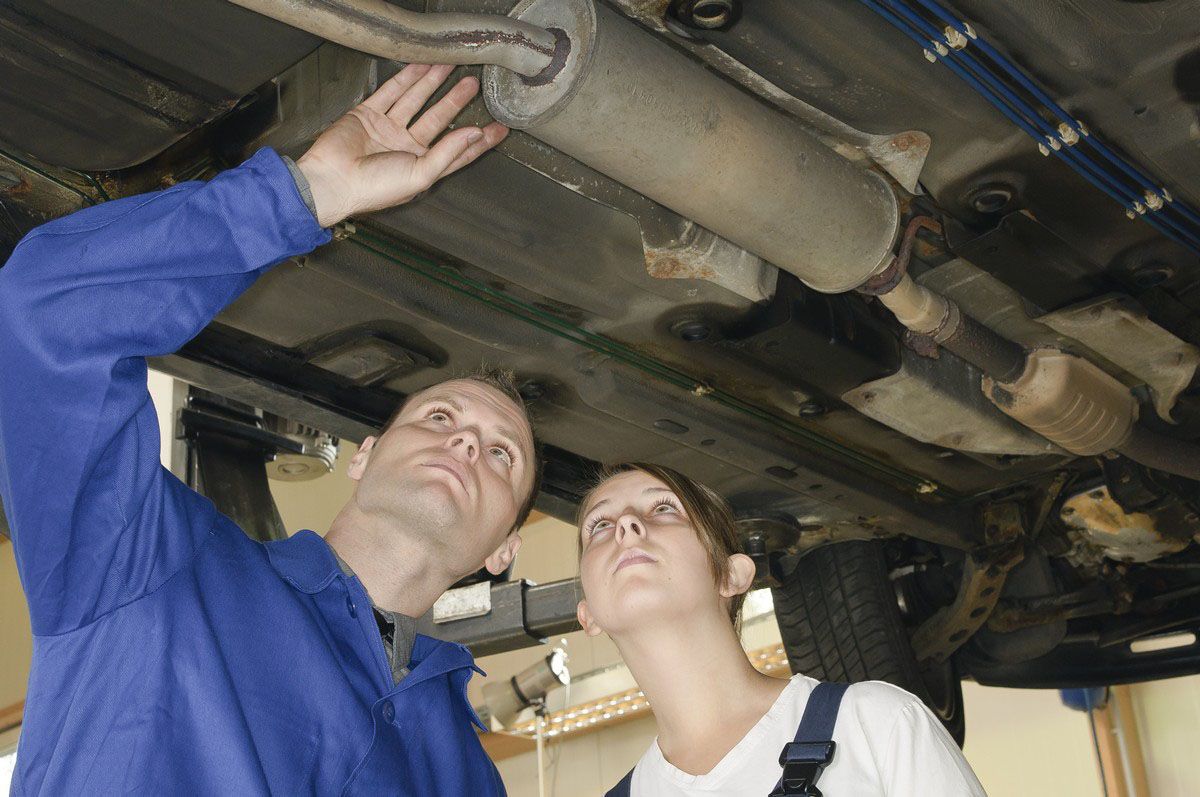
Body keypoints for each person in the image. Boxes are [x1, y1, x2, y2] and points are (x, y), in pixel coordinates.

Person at [0, 63, 537, 794]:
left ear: (507, 546)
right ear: (364, 455)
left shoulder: (465, 777)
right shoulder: (153, 559)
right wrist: (304, 196)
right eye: (439, 417)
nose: (467, 441)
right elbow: (47, 315)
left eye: (501, 452)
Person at [574, 463, 987, 796]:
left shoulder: (874, 724)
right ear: (588, 614)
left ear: (732, 575)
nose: (626, 525)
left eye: (663, 509)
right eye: (599, 526)